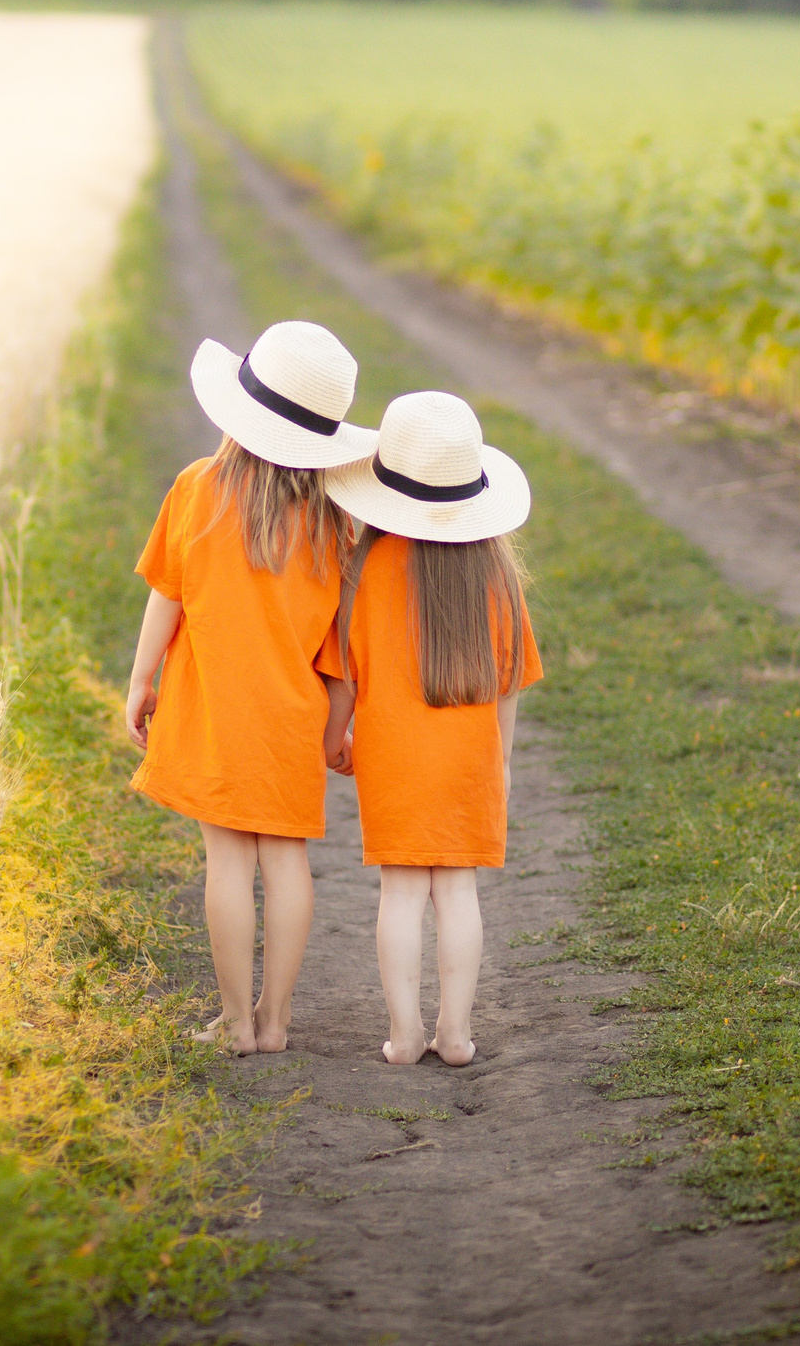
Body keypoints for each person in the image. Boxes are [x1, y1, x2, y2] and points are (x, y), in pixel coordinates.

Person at [125, 320, 378, 1054]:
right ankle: (275, 1022)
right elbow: (340, 652)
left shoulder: (197, 489)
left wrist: (144, 680)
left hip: (215, 714)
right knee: (287, 861)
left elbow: (165, 595)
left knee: (228, 862)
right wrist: (336, 729)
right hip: (290, 722)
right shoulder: (336, 525)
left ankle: (234, 1023)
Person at [318, 390, 539, 1068]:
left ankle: (405, 1035)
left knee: (402, 893)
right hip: (470, 758)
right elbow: (510, 679)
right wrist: (500, 758)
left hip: (394, 757)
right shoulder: (496, 572)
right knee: (458, 892)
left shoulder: (365, 567)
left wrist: (335, 736)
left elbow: (344, 674)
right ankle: (457, 1035)